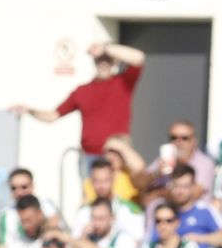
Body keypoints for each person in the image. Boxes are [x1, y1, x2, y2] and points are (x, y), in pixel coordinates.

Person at [13, 42, 145, 163]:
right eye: (100, 59)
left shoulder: (123, 83)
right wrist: (29, 110)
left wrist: (105, 48)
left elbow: (139, 58)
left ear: (114, 62)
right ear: (94, 61)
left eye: (108, 60)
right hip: (89, 156)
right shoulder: (82, 91)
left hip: (116, 156)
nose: (103, 63)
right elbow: (53, 115)